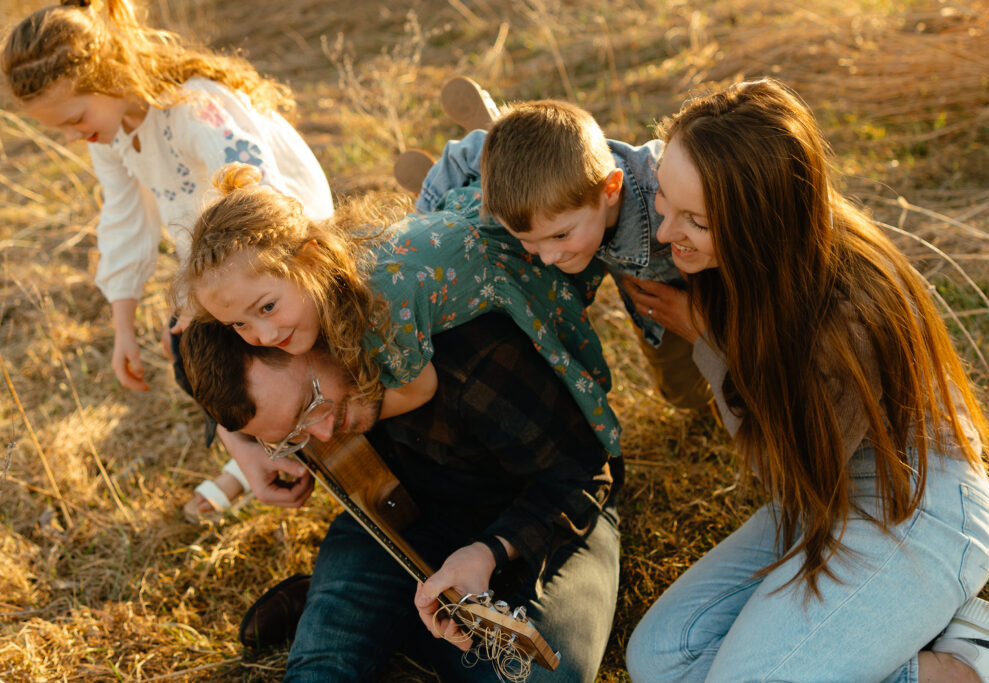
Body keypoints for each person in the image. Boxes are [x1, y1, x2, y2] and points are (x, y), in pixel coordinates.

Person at [622, 77, 989, 682]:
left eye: (695, 220)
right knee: (663, 658)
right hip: (817, 498)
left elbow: (779, 463)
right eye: (663, 201)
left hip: (912, 501)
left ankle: (975, 666)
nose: (663, 233)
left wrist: (707, 332)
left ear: (762, 220)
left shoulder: (845, 317)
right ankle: (895, 648)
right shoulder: (755, 254)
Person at [1, 0, 333, 521]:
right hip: (224, 273)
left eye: (75, 118)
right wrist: (123, 326)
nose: (72, 136)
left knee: (207, 342)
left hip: (283, 252)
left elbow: (258, 196)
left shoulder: (193, 107)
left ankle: (283, 444)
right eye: (59, 129)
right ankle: (253, 454)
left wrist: (200, 302)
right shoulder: (113, 136)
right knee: (188, 349)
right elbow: (124, 219)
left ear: (108, 75)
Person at [179, 312, 622, 682]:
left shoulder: (467, 356)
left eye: (309, 407)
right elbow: (184, 342)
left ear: (305, 328)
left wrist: (488, 553)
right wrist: (240, 442)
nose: (324, 434)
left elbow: (582, 475)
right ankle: (368, 606)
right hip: (394, 505)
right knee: (320, 672)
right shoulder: (248, 320)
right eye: (293, 435)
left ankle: (367, 611)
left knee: (544, 675)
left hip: (540, 509)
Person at [175, 164, 621, 454]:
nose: (265, 336)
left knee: (566, 359)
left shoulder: (380, 304)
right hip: (456, 232)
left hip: (504, 264)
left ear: (310, 259)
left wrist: (340, 422)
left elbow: (418, 389)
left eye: (267, 307)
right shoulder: (316, 282)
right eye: (239, 324)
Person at [397, 85, 711, 412]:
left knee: (702, 378)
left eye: (559, 236)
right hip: (609, 254)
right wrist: (424, 221)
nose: (546, 256)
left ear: (610, 190)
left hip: (688, 292)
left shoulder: (666, 190)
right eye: (530, 239)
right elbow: (467, 152)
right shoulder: (568, 222)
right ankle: (468, 190)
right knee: (682, 394)